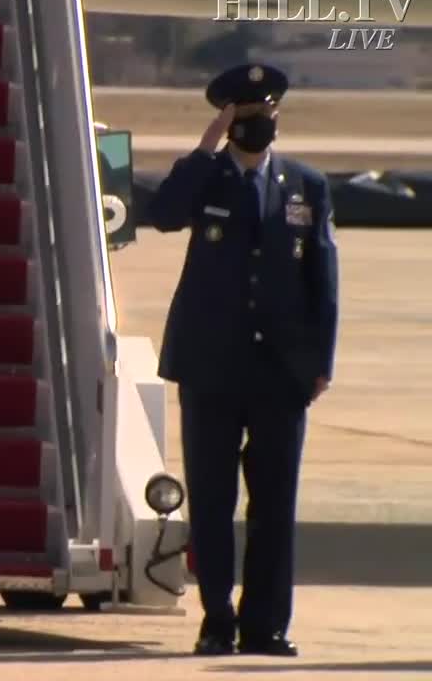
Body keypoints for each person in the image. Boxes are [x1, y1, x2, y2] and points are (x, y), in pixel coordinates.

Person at [147, 63, 340, 658]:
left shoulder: (305, 185)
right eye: (250, 117)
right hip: (210, 367)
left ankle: (267, 624)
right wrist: (204, 151)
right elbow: (164, 215)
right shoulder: (206, 181)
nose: (264, 127)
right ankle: (216, 619)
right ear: (230, 122)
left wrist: (320, 361)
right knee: (211, 498)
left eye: (269, 115)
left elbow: (322, 278)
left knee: (275, 501)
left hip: (281, 370)